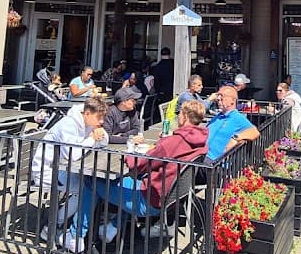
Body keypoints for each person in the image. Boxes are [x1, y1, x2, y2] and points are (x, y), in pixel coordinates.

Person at [73, 100, 210, 246]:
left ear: (185, 116)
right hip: (170, 199)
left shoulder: (174, 142)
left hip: (148, 199)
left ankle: (76, 235)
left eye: (179, 113)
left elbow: (140, 164)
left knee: (91, 180)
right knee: (129, 179)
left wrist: (129, 155)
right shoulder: (200, 142)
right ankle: (112, 227)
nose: (178, 116)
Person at [30, 97, 108, 253]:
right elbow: (73, 154)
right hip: (46, 171)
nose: (102, 121)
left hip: (65, 169)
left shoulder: (88, 123)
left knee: (90, 185)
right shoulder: (68, 124)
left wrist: (100, 134)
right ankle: (54, 226)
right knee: (85, 190)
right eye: (99, 117)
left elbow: (103, 142)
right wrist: (92, 139)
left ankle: (67, 225)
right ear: (87, 113)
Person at [206, 85, 259, 161]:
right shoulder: (218, 116)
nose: (218, 98)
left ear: (232, 100)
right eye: (218, 96)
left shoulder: (237, 117)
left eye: (222, 96)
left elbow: (255, 132)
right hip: (202, 156)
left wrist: (235, 138)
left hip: (214, 161)